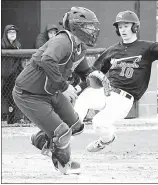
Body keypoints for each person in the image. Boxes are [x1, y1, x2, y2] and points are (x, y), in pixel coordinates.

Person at [12, 7, 102, 175]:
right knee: (62, 133)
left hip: (50, 92)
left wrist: (94, 76)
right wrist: (65, 87)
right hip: (29, 94)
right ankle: (63, 164)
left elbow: (84, 71)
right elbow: (47, 60)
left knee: (77, 126)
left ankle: (41, 139)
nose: (92, 30)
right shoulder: (63, 41)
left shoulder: (79, 47)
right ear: (76, 27)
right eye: (88, 26)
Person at [74, 10, 158, 152]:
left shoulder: (147, 47)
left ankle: (107, 139)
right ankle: (72, 127)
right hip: (107, 91)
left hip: (123, 99)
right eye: (120, 26)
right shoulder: (113, 50)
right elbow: (94, 73)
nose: (122, 29)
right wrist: (78, 88)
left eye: (126, 26)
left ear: (135, 27)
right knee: (85, 96)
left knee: (98, 123)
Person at [1, 24, 23, 124]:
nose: (12, 34)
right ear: (6, 34)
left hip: (13, 76)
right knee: (2, 95)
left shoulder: (18, 45)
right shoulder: (1, 43)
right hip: (2, 76)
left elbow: (19, 62)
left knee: (15, 95)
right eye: (10, 32)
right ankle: (3, 118)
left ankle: (16, 118)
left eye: (14, 32)